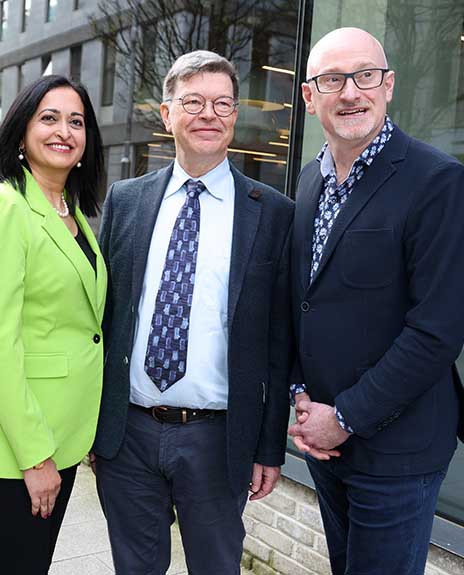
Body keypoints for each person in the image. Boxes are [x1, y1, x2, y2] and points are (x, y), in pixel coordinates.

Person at [287, 27, 464, 575]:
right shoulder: (308, 183)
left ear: (388, 85)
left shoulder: (437, 183)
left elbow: (435, 333)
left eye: (364, 76)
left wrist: (342, 417)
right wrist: (302, 398)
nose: (350, 92)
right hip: (325, 441)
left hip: (398, 450)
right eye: (332, 80)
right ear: (309, 96)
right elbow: (302, 303)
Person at [93, 50, 294, 574]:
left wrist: (269, 446)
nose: (209, 114)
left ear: (234, 117)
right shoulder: (126, 200)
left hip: (218, 439)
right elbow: (102, 318)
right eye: (194, 102)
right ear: (167, 114)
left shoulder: (272, 212)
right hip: (128, 435)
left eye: (223, 103)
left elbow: (279, 343)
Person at [0, 75, 106, 575]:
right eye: (49, 118)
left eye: (76, 121)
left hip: (62, 435)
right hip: (13, 447)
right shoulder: (1, 208)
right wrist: (35, 457)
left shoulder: (70, 213)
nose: (64, 130)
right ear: (20, 134)